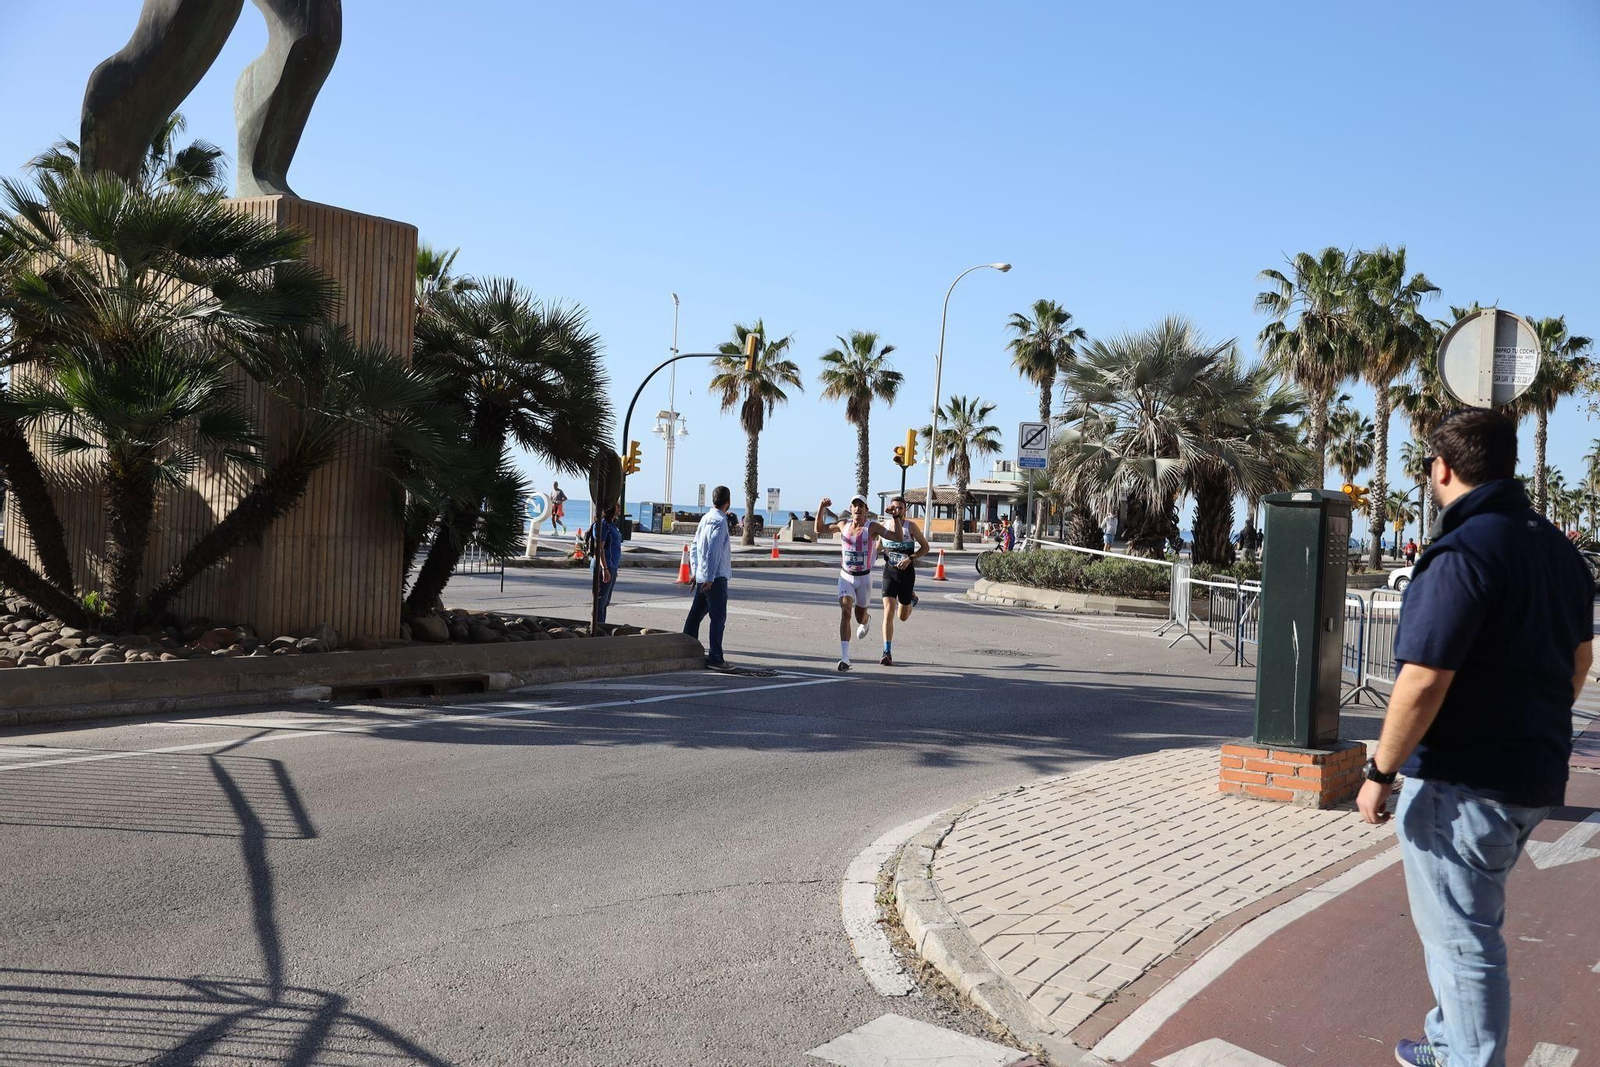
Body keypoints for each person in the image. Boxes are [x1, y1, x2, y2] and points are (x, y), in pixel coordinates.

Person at [1356, 409, 1592, 1067]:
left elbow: (1423, 678)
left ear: (1442, 469)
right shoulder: (1558, 551)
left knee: (1462, 939)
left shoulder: (1462, 552)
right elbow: (1579, 661)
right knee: (1461, 921)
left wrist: (1379, 773)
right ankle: (1445, 1041)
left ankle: (1468, 1058)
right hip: (1531, 774)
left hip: (1462, 781)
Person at [815, 494, 892, 672]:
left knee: (859, 616)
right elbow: (818, 528)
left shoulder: (872, 527)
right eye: (854, 505)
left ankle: (867, 619)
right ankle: (845, 658)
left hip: (864, 578)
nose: (857, 508)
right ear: (850, 509)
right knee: (845, 611)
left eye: (861, 506)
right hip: (846, 576)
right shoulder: (844, 525)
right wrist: (821, 507)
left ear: (866, 510)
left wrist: (895, 517)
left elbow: (895, 536)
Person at [683, 485, 734, 669]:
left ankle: (686, 649)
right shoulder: (720, 521)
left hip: (702, 576)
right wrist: (711, 577)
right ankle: (715, 657)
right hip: (715, 578)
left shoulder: (705, 518)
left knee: (695, 615)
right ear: (728, 501)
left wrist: (696, 571)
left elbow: (695, 546)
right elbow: (714, 551)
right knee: (718, 618)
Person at [876, 494, 930, 666]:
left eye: (900, 508)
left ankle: (912, 600)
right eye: (894, 507)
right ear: (890, 509)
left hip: (907, 574)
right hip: (889, 573)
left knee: (902, 617)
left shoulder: (910, 526)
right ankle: (887, 652)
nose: (897, 510)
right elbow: (877, 548)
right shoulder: (885, 526)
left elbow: (925, 547)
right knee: (888, 611)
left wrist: (910, 559)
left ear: (905, 510)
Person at [586, 503, 622, 626]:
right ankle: (597, 626)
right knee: (600, 601)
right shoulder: (603, 525)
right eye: (617, 506)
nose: (619, 508)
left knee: (605, 601)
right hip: (605, 566)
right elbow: (599, 548)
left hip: (612, 566)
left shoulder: (612, 525)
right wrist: (605, 568)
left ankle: (602, 625)